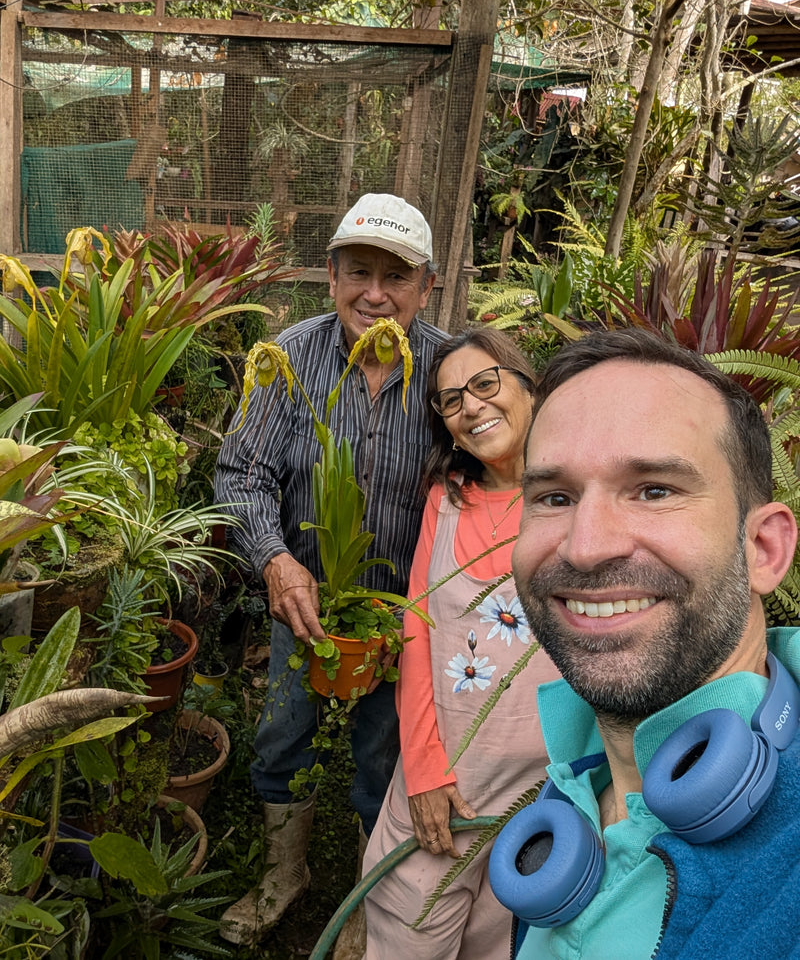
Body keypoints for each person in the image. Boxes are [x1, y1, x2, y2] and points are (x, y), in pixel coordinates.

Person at [495, 327, 800, 959]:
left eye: (654, 490)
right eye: (554, 497)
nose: (585, 547)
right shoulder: (567, 801)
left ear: (764, 549)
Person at [214, 193, 447, 946]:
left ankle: (364, 903)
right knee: (283, 735)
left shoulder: (449, 371)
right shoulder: (291, 356)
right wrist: (276, 562)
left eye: (395, 277)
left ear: (426, 287)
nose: (374, 294)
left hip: (405, 617)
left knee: (384, 755)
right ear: (330, 274)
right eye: (358, 272)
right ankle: (284, 874)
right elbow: (241, 472)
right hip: (303, 604)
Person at [363, 328, 561, 959]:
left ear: (529, 387)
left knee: (500, 943)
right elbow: (416, 628)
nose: (471, 406)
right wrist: (421, 770)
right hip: (445, 783)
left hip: (541, 796)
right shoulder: (446, 501)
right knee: (408, 931)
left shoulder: (577, 502)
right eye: (451, 401)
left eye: (485, 383)